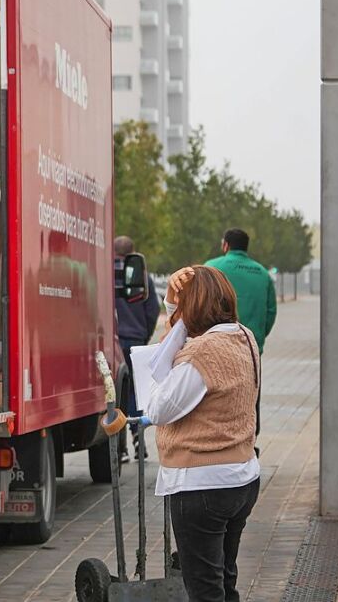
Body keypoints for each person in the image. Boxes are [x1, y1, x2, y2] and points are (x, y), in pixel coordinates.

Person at [147, 266, 260, 602]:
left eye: (181, 305)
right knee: (224, 582)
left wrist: (173, 316)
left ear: (193, 307)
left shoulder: (202, 352)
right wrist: (171, 306)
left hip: (202, 485)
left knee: (204, 590)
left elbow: (158, 408)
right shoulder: (244, 337)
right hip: (241, 477)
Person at [205, 228, 276, 437]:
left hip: (215, 348)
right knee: (250, 399)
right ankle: (249, 443)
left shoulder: (211, 268)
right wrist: (258, 338)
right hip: (250, 349)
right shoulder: (262, 273)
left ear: (225, 245)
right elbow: (271, 311)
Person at [113, 235, 160, 460]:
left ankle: (119, 446)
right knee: (134, 391)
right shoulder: (142, 276)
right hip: (135, 341)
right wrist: (145, 335)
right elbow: (153, 310)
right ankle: (138, 436)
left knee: (114, 393)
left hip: (112, 341)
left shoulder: (106, 274)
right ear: (133, 251)